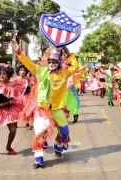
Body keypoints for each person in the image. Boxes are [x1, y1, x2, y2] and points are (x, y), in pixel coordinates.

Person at [12, 40, 79, 168]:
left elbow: (75, 66)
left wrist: (69, 54)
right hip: (42, 108)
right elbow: (28, 63)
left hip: (57, 108)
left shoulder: (64, 74)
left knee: (64, 131)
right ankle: (38, 158)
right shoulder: (41, 72)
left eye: (55, 61)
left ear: (59, 63)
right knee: (40, 133)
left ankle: (58, 146)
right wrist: (18, 52)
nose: (52, 63)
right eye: (50, 61)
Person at [0, 65, 28, 158]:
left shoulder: (13, 85)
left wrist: (1, 105)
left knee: (13, 130)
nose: (2, 75)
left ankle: (8, 147)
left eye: (4, 73)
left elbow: (14, 100)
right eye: (0, 73)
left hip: (9, 108)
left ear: (8, 74)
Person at [15, 65, 33, 130]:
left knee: (26, 110)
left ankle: (27, 124)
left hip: (26, 97)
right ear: (18, 71)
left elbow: (31, 87)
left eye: (24, 70)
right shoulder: (16, 79)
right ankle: (15, 124)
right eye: (21, 70)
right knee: (17, 110)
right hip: (18, 97)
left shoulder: (28, 78)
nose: (23, 72)